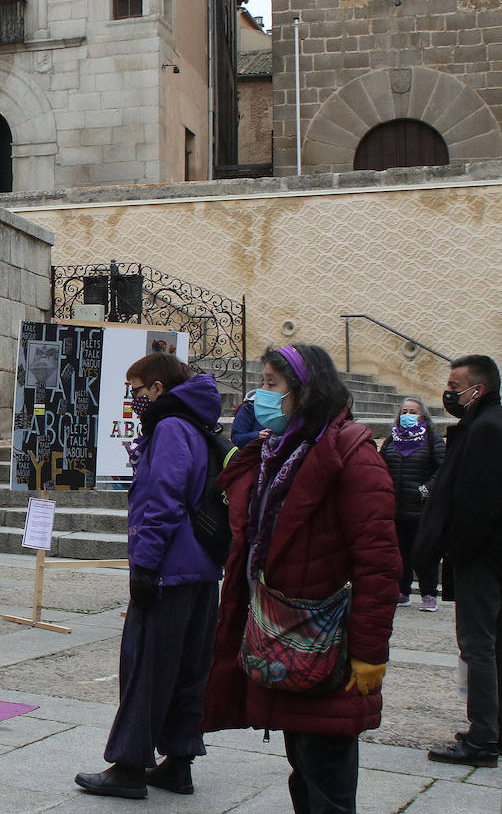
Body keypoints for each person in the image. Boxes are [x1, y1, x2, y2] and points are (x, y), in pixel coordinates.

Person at [203, 344, 399, 813]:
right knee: (304, 771)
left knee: (327, 775)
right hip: (280, 637)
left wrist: (370, 653)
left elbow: (380, 563)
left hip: (326, 643)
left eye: (271, 384)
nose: (260, 395)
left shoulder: (352, 455)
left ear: (303, 390)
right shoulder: (273, 452)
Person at [75, 355, 223, 799]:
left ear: (158, 389)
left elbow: (162, 500)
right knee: (187, 668)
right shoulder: (197, 423)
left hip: (171, 568)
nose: (134, 399)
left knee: (147, 666)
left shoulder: (171, 427)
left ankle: (129, 765)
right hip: (200, 566)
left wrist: (146, 566)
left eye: (136, 390)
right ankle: (178, 762)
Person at [422, 354, 502, 768]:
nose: (449, 391)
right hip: (487, 554)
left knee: (477, 645)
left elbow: (477, 503)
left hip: (482, 557)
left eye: (456, 384)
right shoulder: (486, 423)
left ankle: (484, 737)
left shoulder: (486, 429)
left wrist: (458, 550)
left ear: (479, 389)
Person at [379, 396, 446, 612]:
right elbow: (380, 464)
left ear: (423, 415)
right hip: (396, 508)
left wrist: (426, 489)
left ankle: (428, 593)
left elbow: (443, 468)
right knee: (400, 552)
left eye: (413, 411)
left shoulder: (431, 439)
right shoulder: (392, 439)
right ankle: (403, 591)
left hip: (421, 508)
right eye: (404, 411)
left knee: (424, 551)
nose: (408, 415)